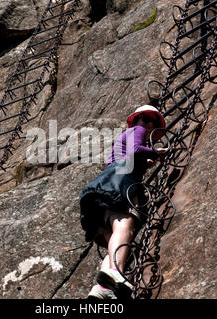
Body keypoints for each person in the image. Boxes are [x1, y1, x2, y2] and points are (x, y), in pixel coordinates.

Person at [79, 105, 167, 299]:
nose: (148, 125)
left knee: (112, 235)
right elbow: (135, 150)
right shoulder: (139, 130)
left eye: (151, 121)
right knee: (125, 225)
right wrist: (155, 152)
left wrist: (144, 161)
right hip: (120, 186)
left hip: (102, 190)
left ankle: (102, 289)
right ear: (140, 121)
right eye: (146, 120)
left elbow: (123, 158)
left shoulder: (124, 137)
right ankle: (115, 273)